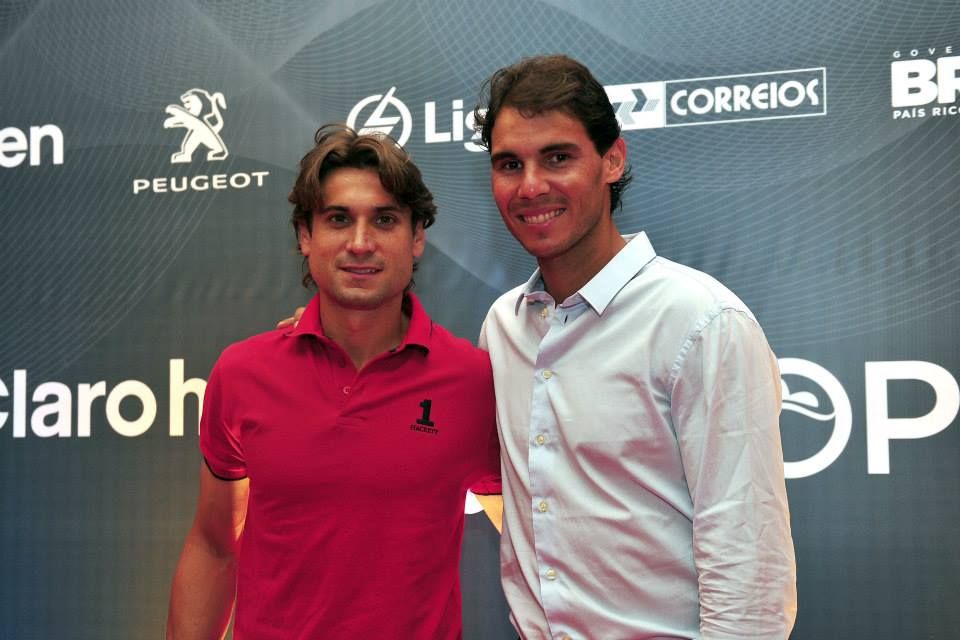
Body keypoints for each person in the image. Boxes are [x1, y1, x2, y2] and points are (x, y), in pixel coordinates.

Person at [473, 55, 797, 639]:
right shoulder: (503, 327)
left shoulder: (701, 321)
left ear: (613, 160)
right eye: (508, 164)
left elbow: (749, 567)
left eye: (558, 157)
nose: (531, 186)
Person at [166, 125, 501, 639]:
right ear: (306, 235)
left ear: (416, 238)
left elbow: (535, 539)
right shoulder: (242, 373)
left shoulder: (473, 381)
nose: (360, 243)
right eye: (338, 219)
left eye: (385, 220)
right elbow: (214, 545)